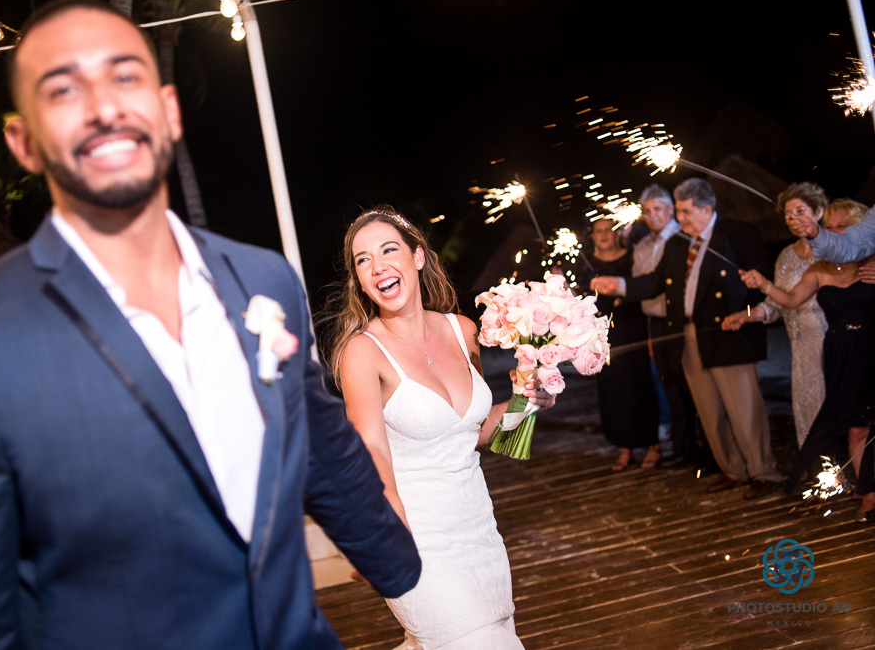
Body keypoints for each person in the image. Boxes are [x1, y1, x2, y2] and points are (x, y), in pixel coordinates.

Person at [0, 0, 422, 649]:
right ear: (23, 142)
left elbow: (315, 437)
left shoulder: (264, 279)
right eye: (63, 89)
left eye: (125, 77)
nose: (104, 106)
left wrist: (396, 560)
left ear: (168, 109)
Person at [322, 208, 554, 649]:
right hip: (417, 537)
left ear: (418, 257)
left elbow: (474, 434)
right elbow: (370, 449)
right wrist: (390, 528)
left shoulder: (462, 331)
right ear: (360, 280)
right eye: (363, 260)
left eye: (388, 250)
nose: (377, 266)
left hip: (478, 531)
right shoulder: (362, 352)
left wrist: (526, 401)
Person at [590, 177, 782, 500]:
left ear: (707, 208)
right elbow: (655, 282)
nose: (681, 219)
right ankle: (733, 470)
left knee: (744, 410)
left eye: (686, 212)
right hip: (688, 334)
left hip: (728, 333)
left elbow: (761, 279)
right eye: (679, 212)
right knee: (710, 412)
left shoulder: (735, 233)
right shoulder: (679, 244)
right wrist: (619, 285)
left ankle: (763, 471)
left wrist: (750, 314)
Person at [739, 199, 875, 522]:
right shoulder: (819, 269)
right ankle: (869, 494)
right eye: (830, 227)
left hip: (872, 351)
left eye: (843, 227)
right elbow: (790, 300)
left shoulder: (872, 263)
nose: (835, 232)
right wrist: (763, 284)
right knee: (855, 428)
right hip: (841, 355)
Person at [722, 183, 828, 447]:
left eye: (800, 211)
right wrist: (746, 315)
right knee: (809, 415)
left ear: (818, 211)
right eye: (788, 215)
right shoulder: (786, 256)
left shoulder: (836, 251)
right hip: (801, 352)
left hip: (830, 342)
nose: (793, 219)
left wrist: (764, 284)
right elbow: (775, 303)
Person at [631, 184, 701, 469]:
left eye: (657, 209)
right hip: (655, 323)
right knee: (669, 386)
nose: (652, 216)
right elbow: (642, 286)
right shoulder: (641, 247)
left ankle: (706, 448)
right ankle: (684, 449)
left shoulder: (684, 239)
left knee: (692, 384)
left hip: (681, 321)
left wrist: (623, 286)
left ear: (671, 209)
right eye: (647, 211)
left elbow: (659, 284)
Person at [584, 216, 659, 471]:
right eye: (599, 231)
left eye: (609, 230)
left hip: (632, 328)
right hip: (602, 335)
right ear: (592, 236)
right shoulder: (587, 264)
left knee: (641, 385)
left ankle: (653, 444)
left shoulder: (631, 258)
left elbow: (643, 288)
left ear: (618, 233)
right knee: (612, 389)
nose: (604, 235)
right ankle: (624, 447)